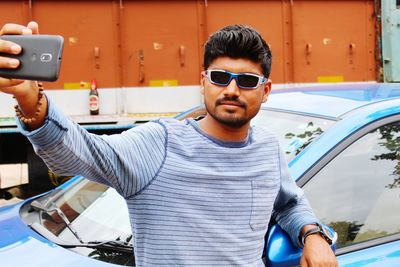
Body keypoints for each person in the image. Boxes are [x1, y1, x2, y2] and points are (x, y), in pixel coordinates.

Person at [0, 22, 337, 267]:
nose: (231, 90)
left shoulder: (267, 148)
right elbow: (82, 153)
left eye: (247, 81)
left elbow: (289, 204)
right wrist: (31, 102)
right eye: (220, 77)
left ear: (265, 90)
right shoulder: (159, 144)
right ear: (203, 81)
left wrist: (312, 235)